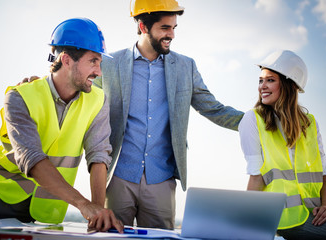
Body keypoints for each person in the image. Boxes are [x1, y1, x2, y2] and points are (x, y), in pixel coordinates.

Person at [97, 0, 244, 229]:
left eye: (174, 28)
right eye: (165, 28)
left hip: (161, 180)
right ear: (143, 27)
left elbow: (212, 108)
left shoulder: (186, 67)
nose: (172, 35)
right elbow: (79, 91)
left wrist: (257, 121)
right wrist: (45, 84)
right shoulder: (110, 64)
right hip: (118, 176)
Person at [0, 18, 123, 233]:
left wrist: (98, 212)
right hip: (3, 189)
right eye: (93, 61)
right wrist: (84, 205)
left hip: (48, 207)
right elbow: (33, 159)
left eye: (100, 62)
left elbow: (99, 156)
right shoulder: (19, 96)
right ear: (66, 59)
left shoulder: (98, 101)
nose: (99, 72)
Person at [238, 50, 326, 239]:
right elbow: (256, 177)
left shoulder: (310, 122)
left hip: (318, 212)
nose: (262, 86)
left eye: (270, 80)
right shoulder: (252, 120)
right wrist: (246, 223)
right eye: (261, 80)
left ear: (289, 85)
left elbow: (324, 173)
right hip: (283, 217)